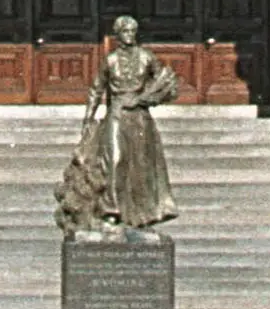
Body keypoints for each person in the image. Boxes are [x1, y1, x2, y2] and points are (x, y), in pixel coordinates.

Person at [55, 16, 178, 234]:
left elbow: (166, 85)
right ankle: (111, 210)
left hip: (139, 116)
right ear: (118, 34)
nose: (130, 35)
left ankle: (143, 214)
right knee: (114, 161)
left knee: (140, 165)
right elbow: (96, 89)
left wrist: (146, 98)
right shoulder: (110, 60)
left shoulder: (146, 58)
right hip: (117, 114)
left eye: (133, 31)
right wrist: (87, 119)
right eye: (125, 31)